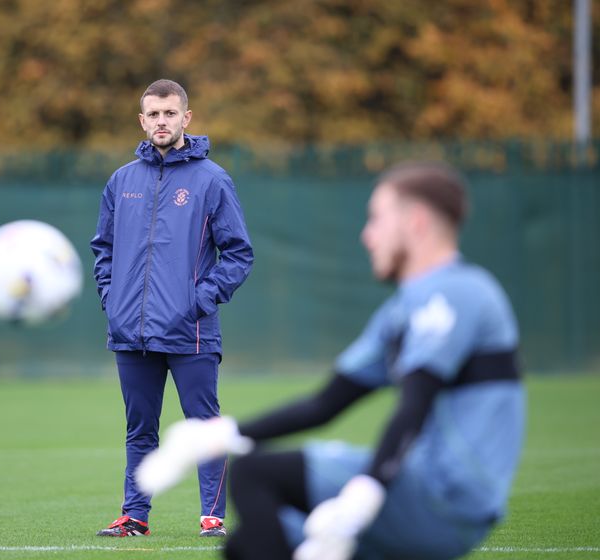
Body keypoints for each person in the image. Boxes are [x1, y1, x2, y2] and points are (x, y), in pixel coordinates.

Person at [136, 161, 525, 559]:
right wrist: (216, 436)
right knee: (247, 545)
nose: (367, 235)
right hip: (417, 487)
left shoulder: (457, 293)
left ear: (417, 222)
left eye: (376, 219)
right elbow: (326, 404)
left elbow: (416, 403)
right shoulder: (403, 309)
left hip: (448, 498)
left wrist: (363, 495)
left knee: (254, 474)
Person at [90, 79, 254, 538]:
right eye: (153, 115)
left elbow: (239, 254)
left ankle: (213, 518)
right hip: (131, 332)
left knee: (205, 427)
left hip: (191, 332)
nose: (162, 121)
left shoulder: (212, 179)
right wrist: (112, 298)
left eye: (170, 113)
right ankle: (134, 517)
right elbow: (102, 248)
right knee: (139, 430)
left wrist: (197, 301)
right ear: (142, 122)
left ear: (186, 118)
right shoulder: (121, 181)